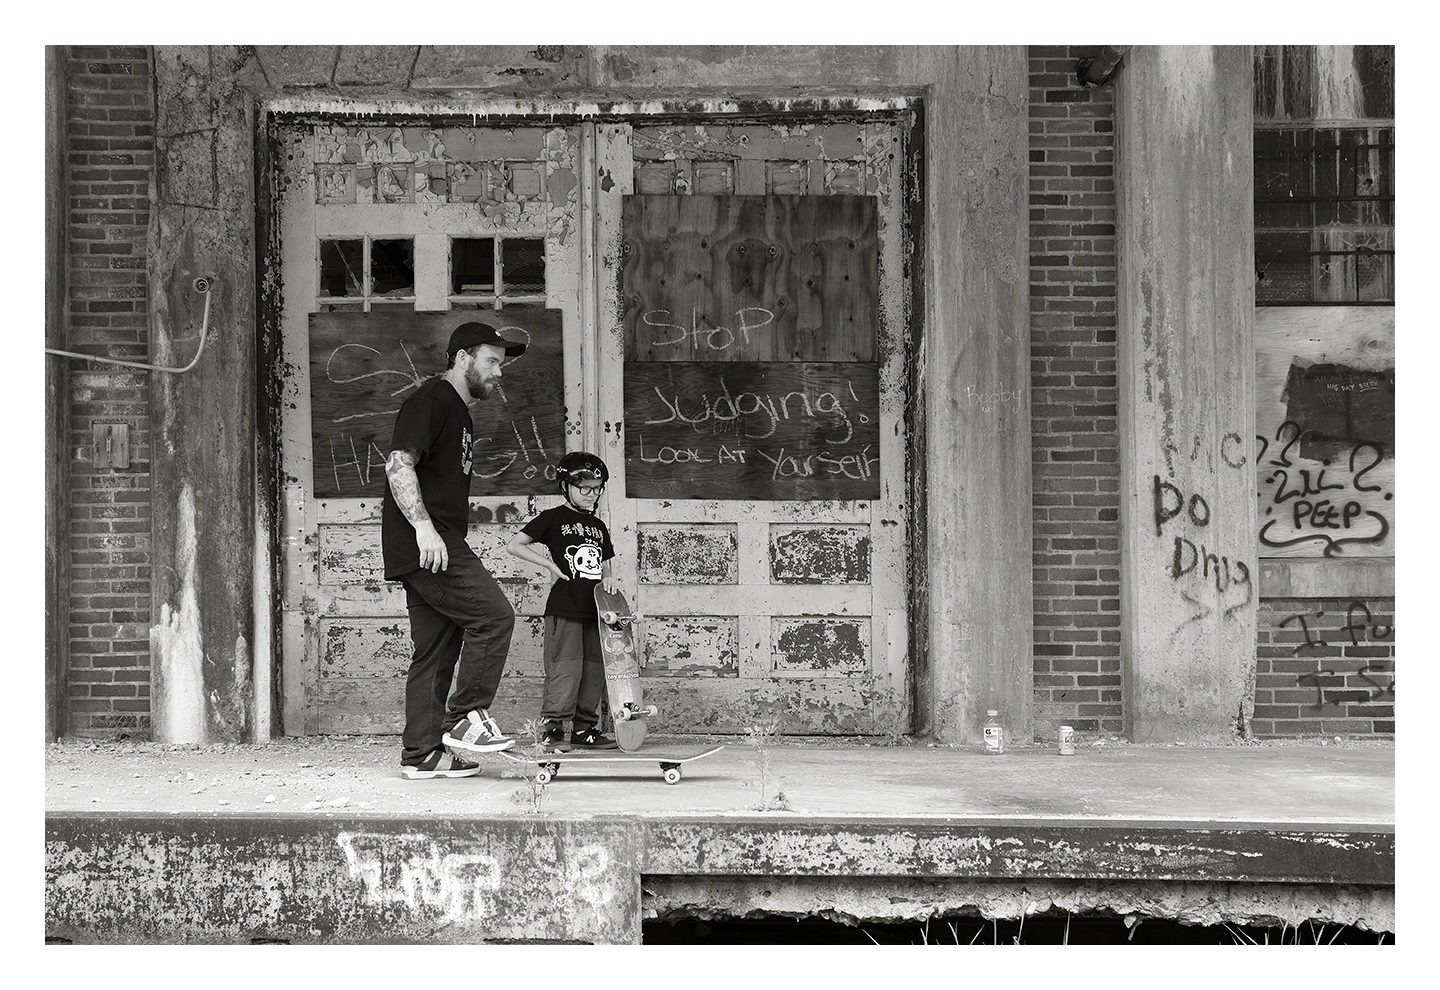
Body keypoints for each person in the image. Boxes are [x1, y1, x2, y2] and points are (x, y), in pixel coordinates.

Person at [382, 321, 526, 779]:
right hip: (431, 544)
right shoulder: (433, 399)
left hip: (430, 545)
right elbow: (398, 464)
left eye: (501, 364)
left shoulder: (458, 410)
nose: (498, 372)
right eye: (492, 361)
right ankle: (467, 717)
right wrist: (424, 528)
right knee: (494, 617)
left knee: (436, 650)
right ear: (463, 358)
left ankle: (422, 754)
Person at [507, 451, 621, 752]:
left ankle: (585, 729)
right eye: (585, 488)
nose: (592, 494)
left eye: (597, 488)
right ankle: (553, 730)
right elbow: (515, 545)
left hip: (597, 611)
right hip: (565, 608)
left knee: (593, 671)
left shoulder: (598, 526)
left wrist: (610, 579)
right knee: (565, 669)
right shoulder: (553, 518)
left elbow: (606, 563)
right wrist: (549, 565)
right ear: (565, 487)